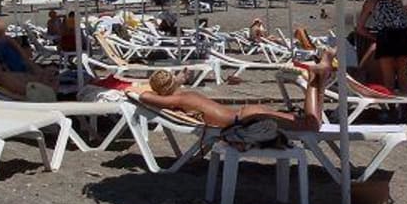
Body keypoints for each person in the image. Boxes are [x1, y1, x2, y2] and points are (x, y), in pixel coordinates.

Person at [139, 49, 331, 132]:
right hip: (247, 113)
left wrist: (150, 90)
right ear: (174, 83)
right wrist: (175, 81)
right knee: (311, 123)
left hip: (244, 119)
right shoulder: (185, 94)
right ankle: (321, 76)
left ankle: (315, 76)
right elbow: (163, 90)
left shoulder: (178, 100)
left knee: (310, 126)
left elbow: (144, 96)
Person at [357, 0, 407, 94]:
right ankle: (405, 108)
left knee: (388, 76)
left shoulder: (371, 2)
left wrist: (375, 37)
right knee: (403, 74)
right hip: (403, 35)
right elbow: (405, 18)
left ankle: (392, 109)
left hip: (386, 36)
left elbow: (360, 28)